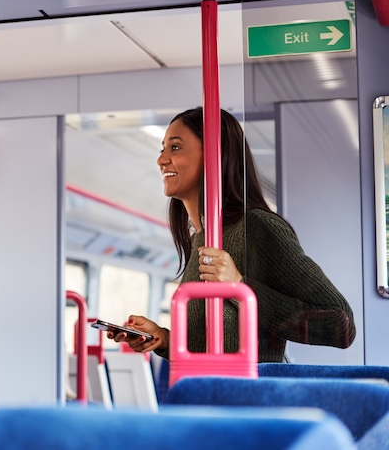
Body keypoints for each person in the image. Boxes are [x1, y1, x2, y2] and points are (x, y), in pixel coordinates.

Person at [109, 107, 355, 362]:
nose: (161, 160)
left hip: (247, 397)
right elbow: (208, 352)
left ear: (215, 156)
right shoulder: (199, 240)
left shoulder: (258, 228)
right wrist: (163, 339)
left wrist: (239, 286)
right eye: (163, 149)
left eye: (175, 147)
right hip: (206, 395)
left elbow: (341, 326)